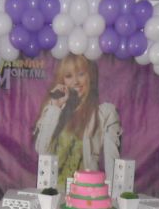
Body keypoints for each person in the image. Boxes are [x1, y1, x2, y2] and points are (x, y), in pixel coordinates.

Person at [34, 54, 121, 190]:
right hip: (53, 192)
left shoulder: (105, 113)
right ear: (62, 80)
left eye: (81, 74)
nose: (75, 82)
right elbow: (42, 151)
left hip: (86, 193)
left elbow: (113, 163)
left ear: (90, 76)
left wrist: (112, 196)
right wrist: (55, 106)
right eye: (69, 76)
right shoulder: (53, 111)